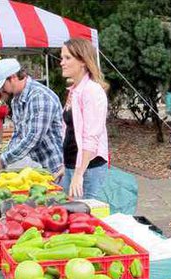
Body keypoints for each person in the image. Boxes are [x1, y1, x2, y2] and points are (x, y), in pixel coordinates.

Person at [0, 58, 63, 176]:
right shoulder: (16, 100)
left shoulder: (39, 96)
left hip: (55, 166)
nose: (1, 90)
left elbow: (33, 138)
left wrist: (4, 159)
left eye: (2, 85)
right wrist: (3, 155)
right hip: (39, 167)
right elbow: (18, 134)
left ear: (13, 77)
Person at [59, 38, 109, 199]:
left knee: (88, 218)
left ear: (82, 61)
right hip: (72, 165)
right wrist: (65, 165)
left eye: (67, 58)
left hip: (89, 170)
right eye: (62, 58)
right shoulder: (74, 90)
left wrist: (79, 174)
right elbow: (69, 132)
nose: (62, 63)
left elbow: (90, 137)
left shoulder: (92, 91)